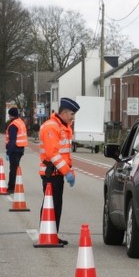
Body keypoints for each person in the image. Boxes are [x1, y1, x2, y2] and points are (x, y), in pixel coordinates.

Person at [38, 98, 78, 245]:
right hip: (50, 173)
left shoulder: (63, 126)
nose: (73, 117)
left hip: (57, 172)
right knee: (51, 204)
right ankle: (46, 234)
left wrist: (68, 171)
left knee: (56, 204)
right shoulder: (51, 127)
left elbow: (65, 154)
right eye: (72, 114)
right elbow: (52, 154)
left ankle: (52, 234)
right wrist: (67, 172)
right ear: (64, 112)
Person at [4, 107, 28, 193]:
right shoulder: (21, 122)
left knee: (13, 169)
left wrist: (8, 152)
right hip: (20, 149)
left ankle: (11, 188)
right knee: (15, 168)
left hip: (14, 150)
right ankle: (15, 185)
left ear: (10, 115)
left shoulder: (13, 125)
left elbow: (12, 140)